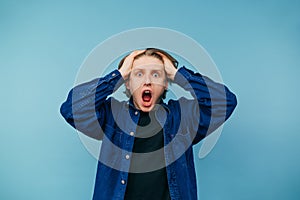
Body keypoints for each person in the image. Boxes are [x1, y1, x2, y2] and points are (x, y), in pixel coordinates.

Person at [60, 48, 237, 200]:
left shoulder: (183, 117)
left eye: (156, 74)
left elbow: (226, 101)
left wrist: (178, 74)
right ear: (128, 84)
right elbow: (71, 109)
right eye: (138, 74)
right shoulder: (112, 115)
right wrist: (118, 75)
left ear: (166, 84)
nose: (147, 81)